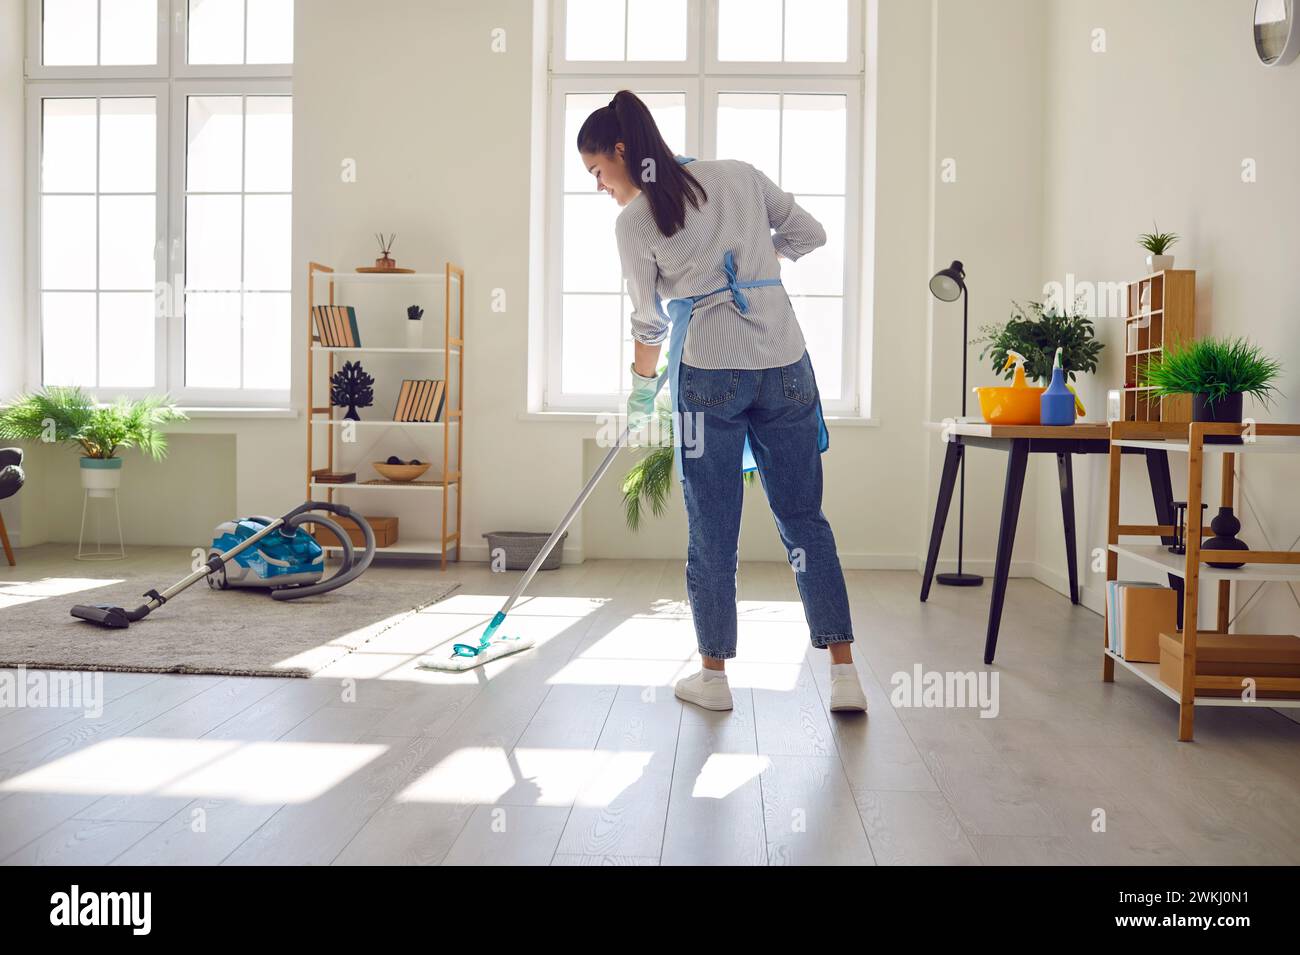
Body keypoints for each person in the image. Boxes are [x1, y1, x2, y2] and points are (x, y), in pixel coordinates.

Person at [576, 90, 867, 714]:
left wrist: (639, 387)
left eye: (598, 172)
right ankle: (844, 675)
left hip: (710, 374)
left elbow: (650, 322)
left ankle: (713, 679)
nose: (600, 186)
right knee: (805, 519)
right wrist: (759, 267)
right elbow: (809, 234)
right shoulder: (738, 174)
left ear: (622, 151)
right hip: (784, 365)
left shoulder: (634, 221)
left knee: (713, 528)